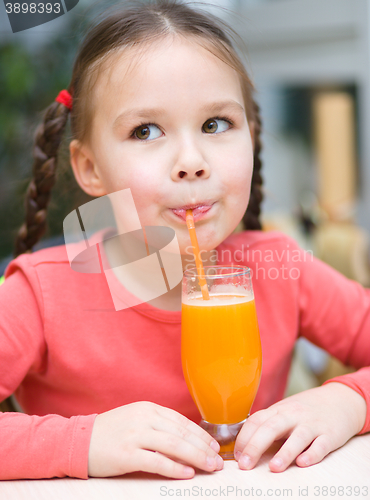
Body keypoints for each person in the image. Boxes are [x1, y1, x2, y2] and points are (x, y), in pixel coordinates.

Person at [0, 0, 369, 481]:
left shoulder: (283, 270)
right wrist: (84, 442)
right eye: (146, 130)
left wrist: (348, 402)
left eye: (216, 124)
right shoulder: (41, 297)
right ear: (89, 167)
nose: (191, 161)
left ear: (252, 138)